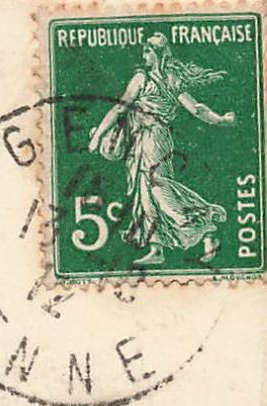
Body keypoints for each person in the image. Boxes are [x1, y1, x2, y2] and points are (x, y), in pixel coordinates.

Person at [88, 34, 236, 266]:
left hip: (153, 138)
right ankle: (156, 248)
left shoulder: (143, 78)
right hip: (145, 138)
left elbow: (120, 108)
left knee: (158, 188)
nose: (143, 56)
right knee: (145, 192)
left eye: (147, 51)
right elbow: (196, 109)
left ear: (157, 54)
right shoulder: (170, 78)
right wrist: (221, 120)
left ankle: (206, 225)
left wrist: (98, 136)